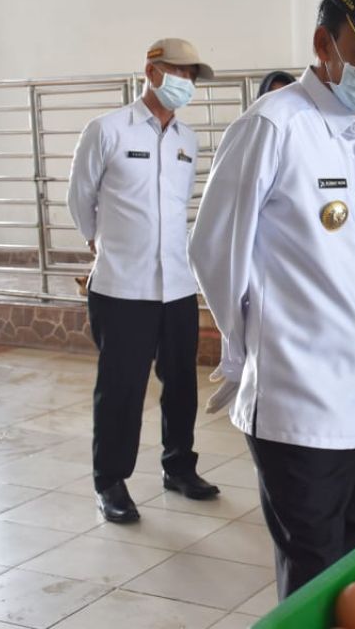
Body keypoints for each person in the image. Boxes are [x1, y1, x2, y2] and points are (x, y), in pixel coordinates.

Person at [190, 0, 355, 598]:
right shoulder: (275, 125)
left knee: (350, 570)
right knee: (314, 575)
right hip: (299, 407)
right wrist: (246, 351)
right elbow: (214, 250)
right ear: (324, 43)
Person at [67, 38, 220, 524]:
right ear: (152, 72)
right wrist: (99, 242)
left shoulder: (187, 140)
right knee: (121, 389)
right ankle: (110, 482)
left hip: (176, 283)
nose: (188, 84)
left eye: (193, 77)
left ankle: (179, 467)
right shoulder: (107, 130)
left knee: (181, 385)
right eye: (181, 73)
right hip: (121, 287)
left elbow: (178, 209)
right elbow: (79, 197)